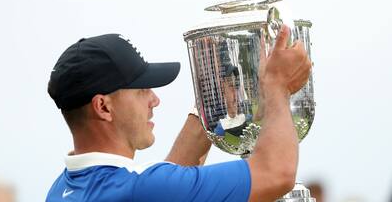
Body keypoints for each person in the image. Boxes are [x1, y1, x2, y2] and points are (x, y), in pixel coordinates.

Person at [46, 25, 311, 202]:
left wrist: (211, 105)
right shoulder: (141, 189)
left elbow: (171, 180)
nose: (155, 99)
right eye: (141, 90)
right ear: (104, 107)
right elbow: (276, 174)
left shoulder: (61, 190)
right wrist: (277, 86)